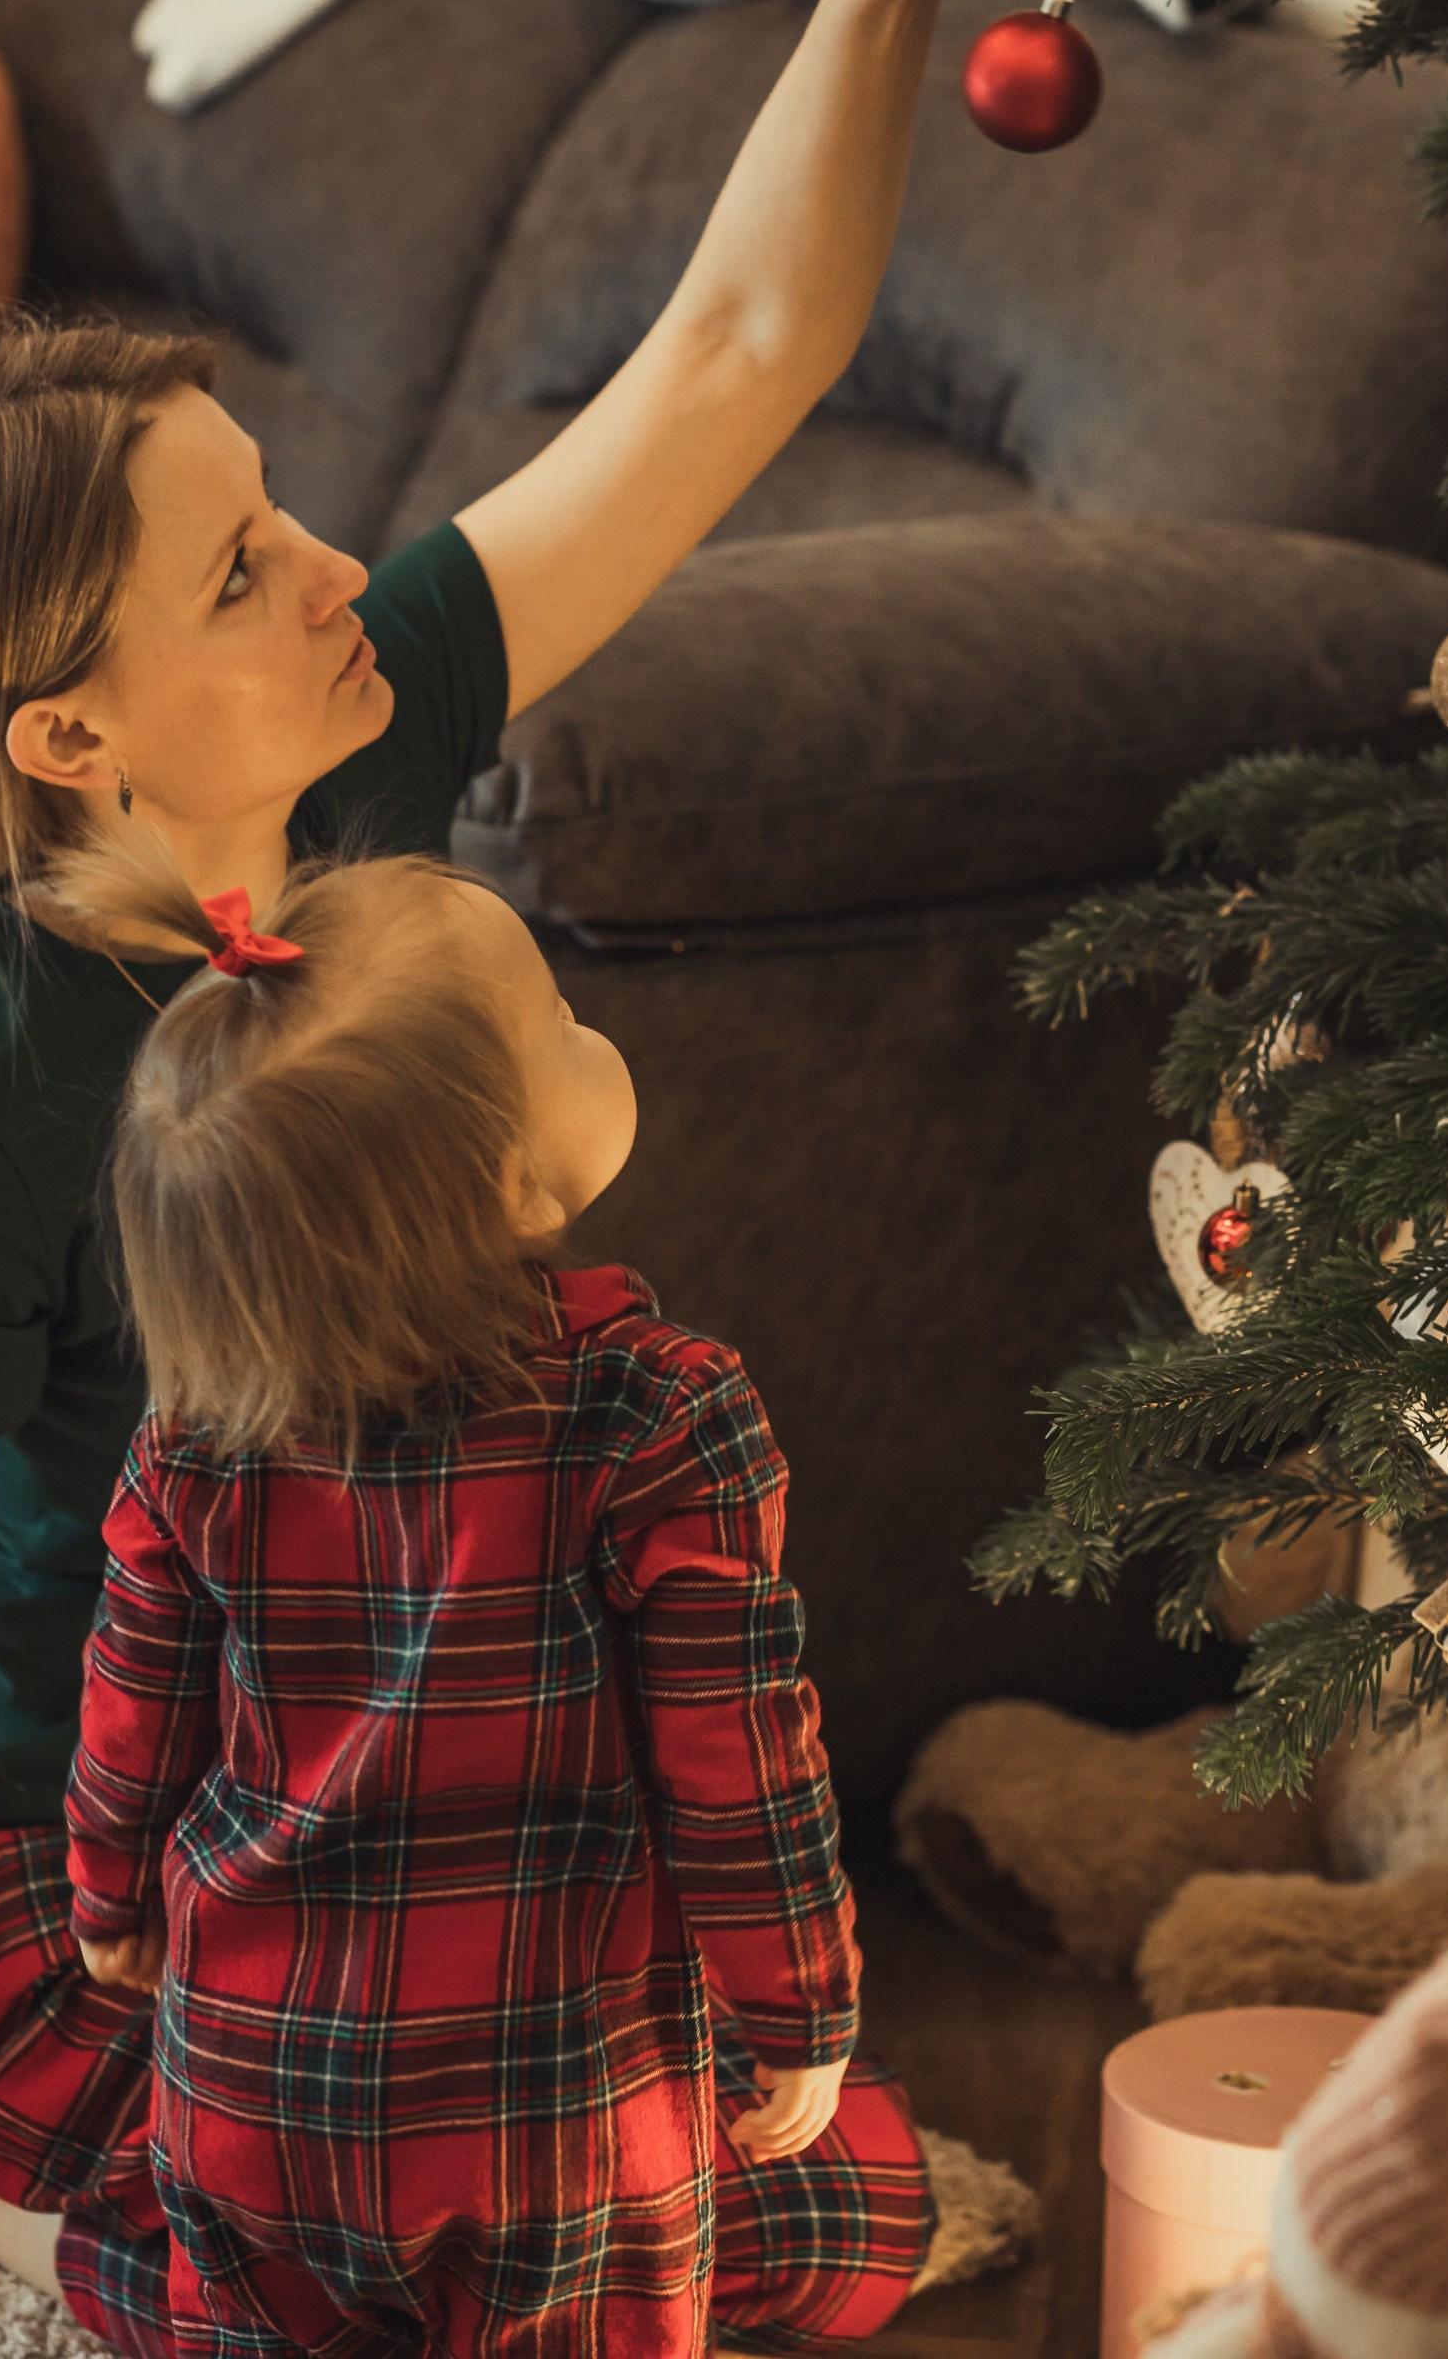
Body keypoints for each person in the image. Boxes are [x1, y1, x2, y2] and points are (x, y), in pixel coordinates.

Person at [0, 0, 1099, 2359]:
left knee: (746, 2196)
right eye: (239, 571)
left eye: (275, 515)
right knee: (320, 2260)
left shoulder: (343, 738)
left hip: (430, 1776)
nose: (325, 565)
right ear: (73, 742)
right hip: (88, 1857)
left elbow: (730, 356)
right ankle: (13, 2220)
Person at [61, 839, 912, 2356]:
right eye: (562, 1023)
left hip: (251, 2097)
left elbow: (133, 1705)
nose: (593, 1033)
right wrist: (802, 2007)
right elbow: (743, 1763)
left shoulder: (192, 1439)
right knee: (828, 2210)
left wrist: (109, 1895)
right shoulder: (660, 1416)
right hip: (559, 2120)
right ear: (516, 1186)